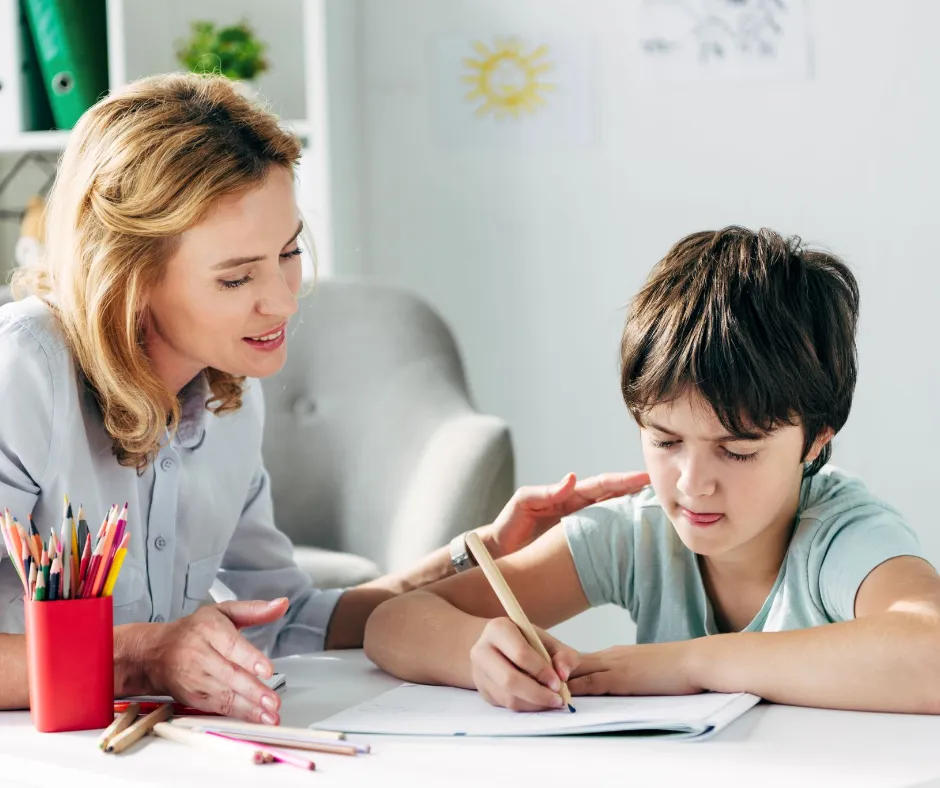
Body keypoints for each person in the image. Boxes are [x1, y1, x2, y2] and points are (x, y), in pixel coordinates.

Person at [0, 72, 650, 722]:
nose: (284, 299)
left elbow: (290, 617)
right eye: (235, 278)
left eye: (288, 252)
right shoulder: (22, 373)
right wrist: (144, 656)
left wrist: (471, 556)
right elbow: (159, 655)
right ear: (128, 277)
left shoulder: (229, 397)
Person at [364, 226, 940, 714]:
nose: (693, 483)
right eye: (665, 440)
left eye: (737, 451)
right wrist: (476, 650)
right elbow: (392, 622)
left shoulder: (841, 536)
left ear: (814, 441)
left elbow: (931, 649)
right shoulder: (637, 531)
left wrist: (693, 662)